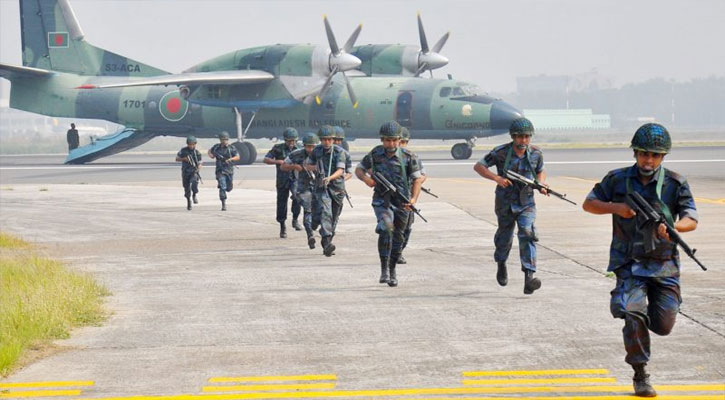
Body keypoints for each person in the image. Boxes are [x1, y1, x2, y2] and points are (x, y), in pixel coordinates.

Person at [582, 123, 698, 397]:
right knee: (633, 312)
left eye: (655, 155)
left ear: (663, 157)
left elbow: (691, 218)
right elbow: (589, 204)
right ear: (635, 153)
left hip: (663, 264)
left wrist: (674, 227)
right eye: (644, 153)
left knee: (663, 325)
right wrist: (617, 208)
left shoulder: (675, 183)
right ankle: (640, 373)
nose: (649, 160)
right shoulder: (617, 179)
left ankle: (642, 308)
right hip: (629, 263)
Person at [473, 117, 547, 295]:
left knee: (527, 233)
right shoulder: (500, 152)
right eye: (520, 137)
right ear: (513, 137)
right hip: (505, 202)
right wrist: (497, 178)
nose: (524, 140)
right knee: (504, 237)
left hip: (526, 202)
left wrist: (541, 184)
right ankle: (501, 263)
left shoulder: (536, 153)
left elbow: (540, 171)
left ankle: (529, 277)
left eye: (527, 137)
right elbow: (479, 166)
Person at [355, 121, 424, 287]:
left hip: (402, 202)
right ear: (382, 140)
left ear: (399, 140)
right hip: (382, 200)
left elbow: (417, 179)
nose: (391, 144)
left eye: (394, 140)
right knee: (387, 228)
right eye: (387, 140)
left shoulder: (409, 157)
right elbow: (359, 169)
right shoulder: (375, 153)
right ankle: (384, 269)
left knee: (398, 237)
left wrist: (413, 200)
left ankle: (392, 271)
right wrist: (366, 180)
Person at [307, 125, 347, 257]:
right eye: (324, 139)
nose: (327, 142)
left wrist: (330, 177)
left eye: (329, 139)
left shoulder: (339, 152)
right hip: (322, 188)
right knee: (326, 212)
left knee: (334, 217)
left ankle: (327, 241)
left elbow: (340, 170)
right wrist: (315, 168)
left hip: (337, 189)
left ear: (333, 139)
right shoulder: (317, 151)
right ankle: (326, 242)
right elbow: (307, 164)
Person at [281, 133, 320, 249]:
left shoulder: (322, 154)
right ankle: (310, 235)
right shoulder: (296, 154)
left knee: (320, 212)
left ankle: (318, 228)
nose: (311, 149)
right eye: (308, 146)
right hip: (303, 187)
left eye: (313, 146)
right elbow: (283, 166)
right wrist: (294, 167)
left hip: (319, 187)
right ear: (304, 145)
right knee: (308, 210)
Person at [264, 127, 302, 238]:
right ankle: (282, 226)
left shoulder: (300, 149)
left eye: (293, 141)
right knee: (281, 203)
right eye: (289, 141)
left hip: (295, 179)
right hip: (282, 179)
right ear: (285, 140)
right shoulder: (278, 148)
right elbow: (266, 159)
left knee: (297, 198)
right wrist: (277, 161)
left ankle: (295, 219)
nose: (291, 143)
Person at [397, 127, 426, 264]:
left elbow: (422, 175)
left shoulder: (412, 157)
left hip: (407, 197)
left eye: (404, 142)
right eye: (400, 142)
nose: (401, 145)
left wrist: (416, 182)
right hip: (391, 198)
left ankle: (399, 252)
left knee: (407, 227)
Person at [207, 132, 240, 211]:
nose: (224, 141)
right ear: (220, 140)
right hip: (220, 170)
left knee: (229, 188)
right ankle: (223, 203)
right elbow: (210, 151)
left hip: (229, 170)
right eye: (223, 139)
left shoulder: (231, 148)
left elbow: (237, 157)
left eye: (226, 140)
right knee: (222, 186)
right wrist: (211, 155)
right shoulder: (216, 147)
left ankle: (225, 190)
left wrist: (230, 159)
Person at [175, 136, 203, 210]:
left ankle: (194, 194)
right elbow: (177, 158)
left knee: (194, 183)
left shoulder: (197, 153)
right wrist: (184, 159)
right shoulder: (183, 151)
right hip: (185, 171)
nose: (191, 146)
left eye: (193, 144)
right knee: (186, 187)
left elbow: (200, 163)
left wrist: (198, 168)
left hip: (194, 171)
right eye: (190, 144)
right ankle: (188, 201)